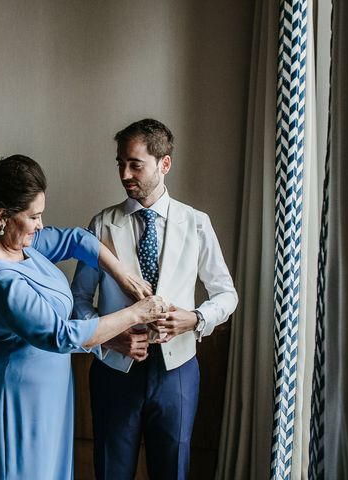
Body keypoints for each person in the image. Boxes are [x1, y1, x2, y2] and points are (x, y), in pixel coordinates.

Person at [0, 154, 166, 480]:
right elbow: (62, 335)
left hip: (49, 392)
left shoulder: (20, 242)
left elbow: (77, 239)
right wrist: (136, 312)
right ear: (2, 216)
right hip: (15, 396)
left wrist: (123, 274)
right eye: (34, 216)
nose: (40, 225)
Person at [71, 118, 239, 480]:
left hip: (177, 371)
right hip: (114, 370)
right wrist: (109, 338)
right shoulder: (101, 225)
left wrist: (194, 319)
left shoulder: (196, 223)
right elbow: (79, 299)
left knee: (172, 471)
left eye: (135, 164)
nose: (124, 173)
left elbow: (226, 294)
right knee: (111, 470)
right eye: (120, 163)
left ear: (164, 164)